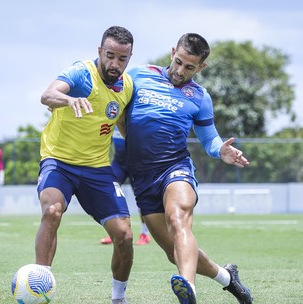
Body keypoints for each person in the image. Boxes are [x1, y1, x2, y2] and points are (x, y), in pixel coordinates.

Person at [124, 33, 253, 304]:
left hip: (175, 168)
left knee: (177, 218)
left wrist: (221, 150)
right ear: (173, 51)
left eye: (189, 67)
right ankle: (227, 278)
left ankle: (189, 291)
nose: (180, 71)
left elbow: (209, 138)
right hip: (142, 176)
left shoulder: (200, 97)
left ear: (201, 68)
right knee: (175, 253)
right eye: (178, 62)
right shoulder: (139, 74)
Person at [36, 26, 135, 304]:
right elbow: (47, 95)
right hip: (60, 162)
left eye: (122, 58)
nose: (115, 63)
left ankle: (118, 299)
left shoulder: (126, 87)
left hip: (97, 169)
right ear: (100, 51)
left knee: (125, 235)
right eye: (110, 55)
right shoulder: (80, 73)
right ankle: (39, 288)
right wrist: (69, 99)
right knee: (52, 210)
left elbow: (125, 127)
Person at [100, 126, 151, 246]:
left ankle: (145, 233)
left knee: (141, 200)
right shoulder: (113, 117)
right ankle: (115, 231)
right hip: (119, 163)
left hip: (137, 165)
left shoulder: (134, 118)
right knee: (109, 193)